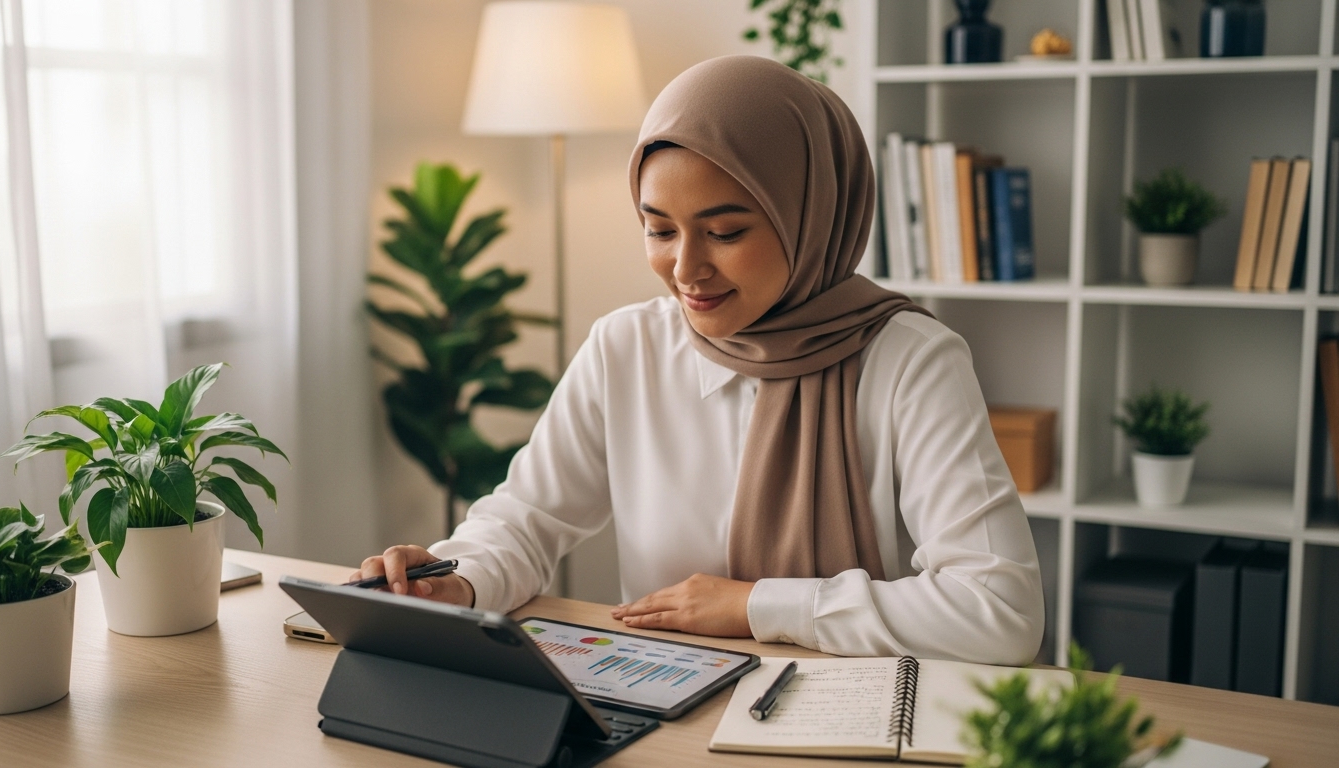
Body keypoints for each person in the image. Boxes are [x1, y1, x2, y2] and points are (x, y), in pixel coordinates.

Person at [352, 55, 1045, 665]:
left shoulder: (912, 362)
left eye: (725, 231)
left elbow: (1001, 611)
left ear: (811, 215)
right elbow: (527, 520)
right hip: (666, 705)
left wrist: (756, 606)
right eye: (658, 229)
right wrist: (460, 578)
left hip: (851, 720)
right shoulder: (627, 347)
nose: (686, 268)